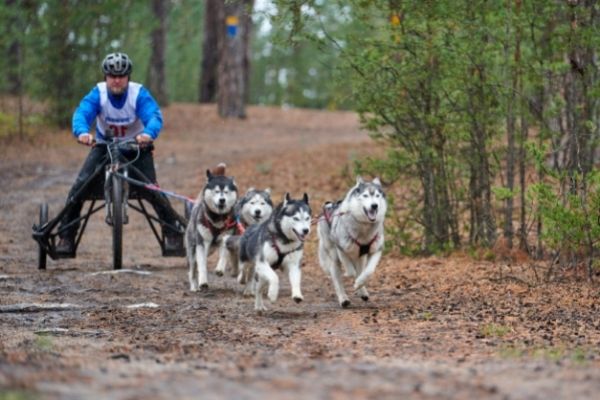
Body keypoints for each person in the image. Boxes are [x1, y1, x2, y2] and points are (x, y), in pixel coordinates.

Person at [56, 52, 183, 254]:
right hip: (103, 147)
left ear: (128, 77)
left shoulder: (138, 94)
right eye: (112, 76)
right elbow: (82, 113)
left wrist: (148, 134)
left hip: (136, 148)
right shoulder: (98, 93)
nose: (116, 80)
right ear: (106, 76)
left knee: (153, 189)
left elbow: (154, 116)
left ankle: (173, 234)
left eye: (121, 76)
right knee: (80, 187)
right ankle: (66, 237)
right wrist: (81, 132)